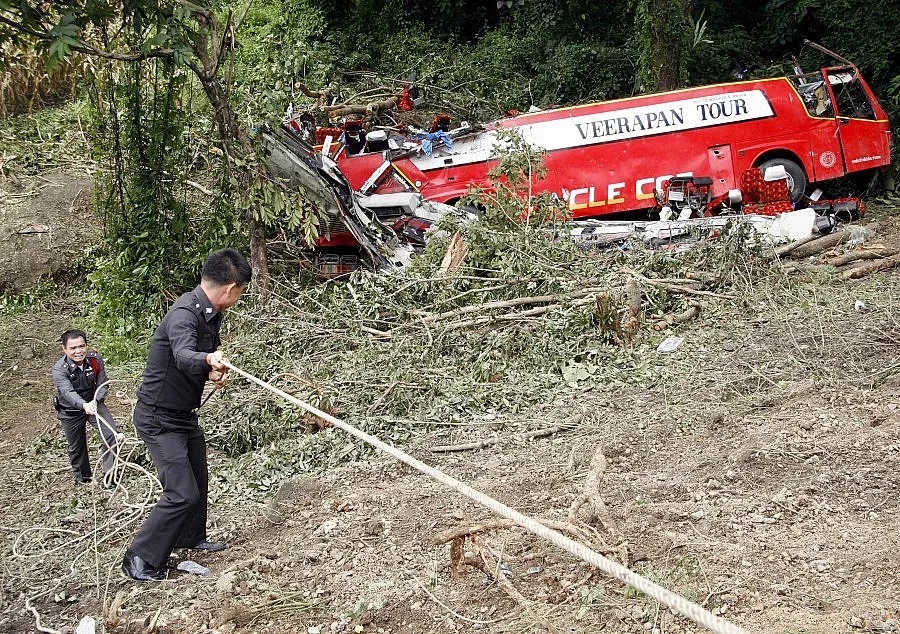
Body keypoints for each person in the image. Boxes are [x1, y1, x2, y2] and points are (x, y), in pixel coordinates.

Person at [122, 248, 251, 582]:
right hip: (158, 418)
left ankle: (190, 537)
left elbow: (193, 359)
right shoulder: (183, 313)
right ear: (230, 287)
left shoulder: (211, 313)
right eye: (239, 293)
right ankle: (139, 558)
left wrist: (210, 371)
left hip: (183, 415)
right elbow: (183, 354)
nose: (237, 299)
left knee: (198, 479)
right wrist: (207, 360)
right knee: (181, 492)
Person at [51, 329, 119, 487]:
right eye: (73, 348)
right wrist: (83, 405)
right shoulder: (60, 369)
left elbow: (103, 384)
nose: (78, 351)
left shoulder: (95, 360)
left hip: (94, 404)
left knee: (111, 435)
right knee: (76, 446)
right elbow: (67, 392)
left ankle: (110, 478)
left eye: (81, 346)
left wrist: (96, 400)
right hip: (71, 410)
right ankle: (84, 480)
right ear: (64, 349)